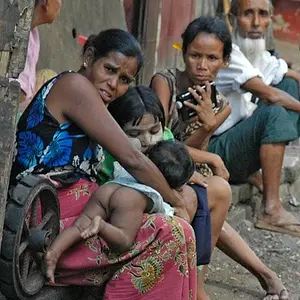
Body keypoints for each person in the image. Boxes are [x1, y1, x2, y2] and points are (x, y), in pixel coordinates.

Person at [10, 29, 197, 299]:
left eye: (124, 80)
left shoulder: (94, 100)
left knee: (179, 232)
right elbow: (132, 158)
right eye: (109, 69)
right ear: (89, 57)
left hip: (73, 211)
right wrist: (175, 202)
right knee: (173, 232)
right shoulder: (75, 86)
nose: (113, 84)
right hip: (42, 218)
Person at [151, 16, 288, 300]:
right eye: (195, 55)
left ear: (225, 61)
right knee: (215, 203)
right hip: (157, 170)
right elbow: (160, 147)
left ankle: (206, 282)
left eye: (212, 58)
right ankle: (205, 286)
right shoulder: (164, 83)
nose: (202, 65)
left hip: (188, 174)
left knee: (213, 209)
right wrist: (212, 156)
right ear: (183, 53)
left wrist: (208, 126)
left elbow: (191, 150)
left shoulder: (221, 105)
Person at [107, 85, 230, 299]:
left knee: (211, 190)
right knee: (186, 200)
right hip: (126, 226)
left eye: (154, 131)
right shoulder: (110, 157)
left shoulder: (164, 144)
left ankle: (195, 287)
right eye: (134, 134)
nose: (147, 141)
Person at [208, 0, 300, 238]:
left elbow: (287, 74)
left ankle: (253, 172)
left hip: (234, 142)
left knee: (289, 86)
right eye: (248, 14)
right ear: (233, 18)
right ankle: (271, 209)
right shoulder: (228, 53)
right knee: (274, 110)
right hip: (213, 151)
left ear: (270, 19)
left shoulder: (258, 54)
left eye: (263, 14)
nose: (257, 23)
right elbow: (268, 94)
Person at [45, 140, 195, 283]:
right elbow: (168, 215)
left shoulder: (132, 168)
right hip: (129, 199)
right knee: (123, 241)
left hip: (109, 189)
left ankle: (54, 252)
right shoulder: (156, 194)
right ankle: (101, 225)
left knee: (79, 226)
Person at [17, 0, 62, 116]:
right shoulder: (19, 38)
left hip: (25, 96)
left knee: (49, 76)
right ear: (47, 3)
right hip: (13, 104)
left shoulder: (33, 34)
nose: (60, 6)